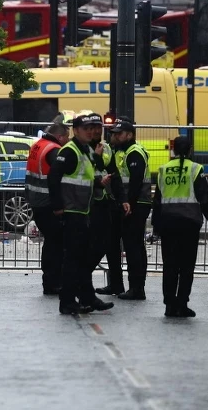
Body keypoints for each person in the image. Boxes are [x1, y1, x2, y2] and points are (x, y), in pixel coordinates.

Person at [48, 113, 114, 315]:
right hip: (72, 211)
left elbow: (83, 179)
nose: (90, 132)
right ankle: (68, 301)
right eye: (85, 129)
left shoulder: (85, 151)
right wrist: (58, 206)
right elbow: (53, 177)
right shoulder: (69, 151)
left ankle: (86, 297)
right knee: (73, 259)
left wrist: (99, 185)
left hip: (83, 210)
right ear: (75, 131)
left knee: (82, 257)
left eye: (91, 129)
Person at [153, 137, 208, 317]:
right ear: (190, 150)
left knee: (169, 266)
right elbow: (204, 197)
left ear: (174, 150)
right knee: (186, 266)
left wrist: (155, 225)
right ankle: (182, 304)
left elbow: (157, 201)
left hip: (167, 222)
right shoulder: (195, 169)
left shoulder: (163, 169)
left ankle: (169, 305)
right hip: (189, 223)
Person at [99, 118, 150, 301]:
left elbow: (135, 182)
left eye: (118, 133)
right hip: (120, 205)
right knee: (112, 244)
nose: (114, 136)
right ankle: (116, 284)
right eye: (113, 133)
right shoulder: (119, 152)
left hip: (135, 206)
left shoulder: (135, 152)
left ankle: (137, 288)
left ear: (129, 135)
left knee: (133, 247)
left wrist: (129, 204)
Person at [26, 122, 70, 295]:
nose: (68, 140)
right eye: (66, 137)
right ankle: (53, 282)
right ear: (60, 137)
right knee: (56, 244)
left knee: (51, 243)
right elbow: (59, 175)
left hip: (37, 202)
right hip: (49, 203)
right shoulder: (54, 150)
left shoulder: (38, 145)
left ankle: (50, 281)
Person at [93, 122, 133, 297]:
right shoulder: (75, 149)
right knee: (102, 246)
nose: (113, 136)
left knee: (109, 246)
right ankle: (111, 284)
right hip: (85, 205)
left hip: (106, 204)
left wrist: (123, 199)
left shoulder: (107, 149)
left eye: (96, 128)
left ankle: (116, 285)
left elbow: (113, 175)